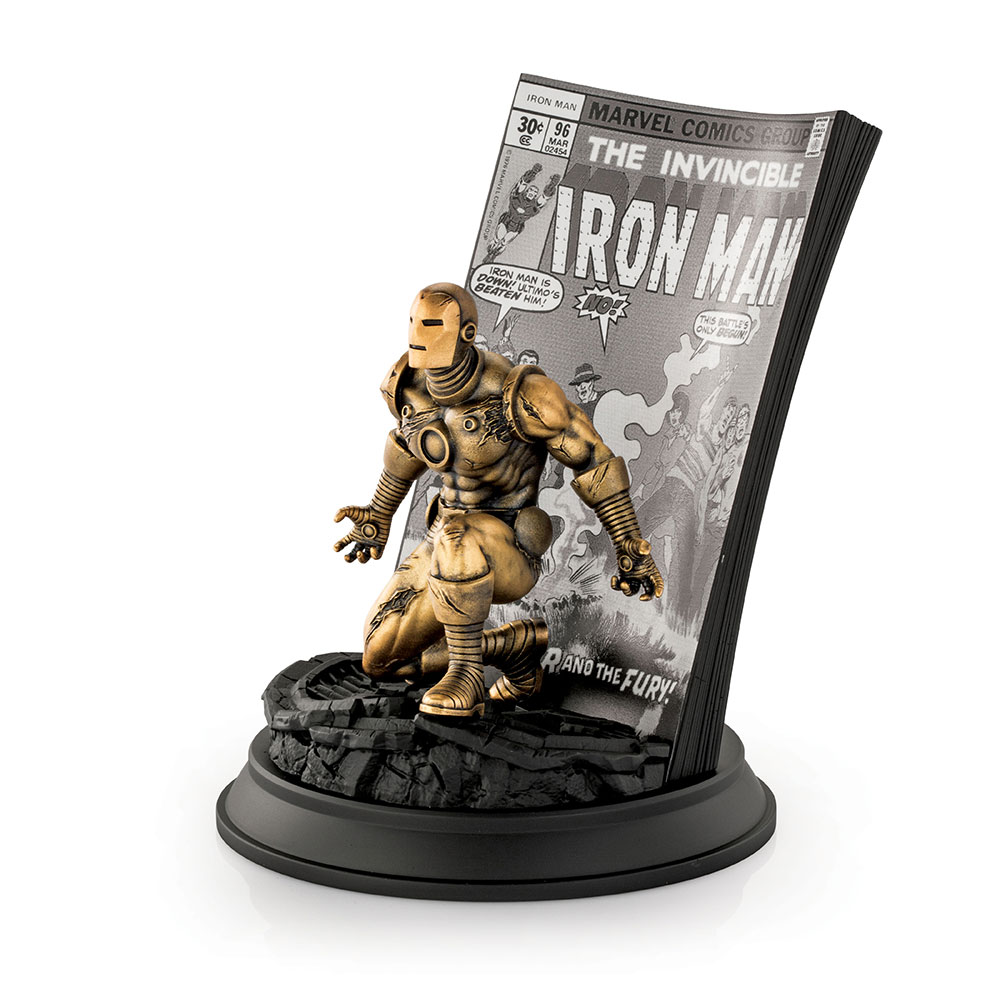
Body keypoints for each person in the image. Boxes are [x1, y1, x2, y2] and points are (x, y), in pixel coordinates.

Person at [334, 283, 662, 718]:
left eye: (431, 324)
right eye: (413, 321)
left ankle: (466, 674)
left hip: (509, 546)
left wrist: (628, 545)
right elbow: (406, 450)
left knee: (459, 536)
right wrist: (378, 515)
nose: (418, 334)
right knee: (382, 660)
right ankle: (515, 647)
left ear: (467, 334)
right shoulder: (409, 385)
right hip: (442, 540)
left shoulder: (520, 395)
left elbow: (591, 458)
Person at [641, 366, 737, 623]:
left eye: (729, 419)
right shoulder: (704, 429)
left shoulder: (718, 452)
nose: (725, 420)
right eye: (725, 415)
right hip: (672, 485)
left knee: (685, 553)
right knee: (638, 524)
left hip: (687, 495)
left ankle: (671, 609)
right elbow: (706, 408)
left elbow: (712, 484)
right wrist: (720, 385)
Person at [485, 164, 560, 262]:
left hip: (517, 226)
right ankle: (490, 253)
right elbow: (521, 185)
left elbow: (543, 198)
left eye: (534, 192)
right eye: (530, 190)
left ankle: (493, 256)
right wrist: (533, 173)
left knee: (504, 242)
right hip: (507, 220)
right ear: (526, 191)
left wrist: (552, 185)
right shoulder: (517, 198)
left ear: (535, 196)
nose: (532, 193)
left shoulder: (533, 206)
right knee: (498, 238)